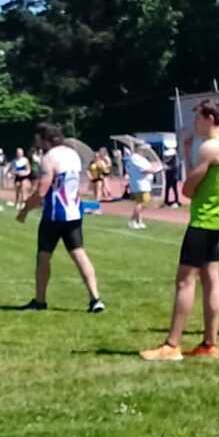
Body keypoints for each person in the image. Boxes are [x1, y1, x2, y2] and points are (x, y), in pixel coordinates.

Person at [141, 99, 219, 362]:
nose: (195, 124)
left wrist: (189, 171)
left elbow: (188, 188)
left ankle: (172, 345)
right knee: (211, 279)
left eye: (197, 118)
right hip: (217, 219)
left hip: (203, 220)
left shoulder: (210, 147)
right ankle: (210, 344)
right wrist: (186, 151)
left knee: (185, 281)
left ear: (209, 118)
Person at [17, 122, 105, 313]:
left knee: (43, 256)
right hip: (74, 211)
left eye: (38, 139)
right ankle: (95, 298)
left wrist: (24, 211)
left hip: (55, 214)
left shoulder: (49, 158)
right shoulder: (72, 153)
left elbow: (42, 191)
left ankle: (40, 300)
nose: (36, 143)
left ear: (44, 139)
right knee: (79, 253)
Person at [123, 140, 159, 229]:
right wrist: (155, 169)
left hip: (144, 182)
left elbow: (149, 166)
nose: (145, 151)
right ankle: (132, 220)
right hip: (140, 183)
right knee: (145, 202)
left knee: (140, 202)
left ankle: (139, 221)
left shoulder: (141, 158)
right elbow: (145, 170)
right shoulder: (135, 158)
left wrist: (154, 166)